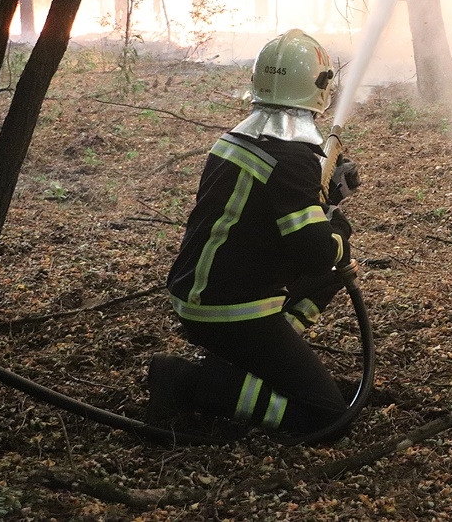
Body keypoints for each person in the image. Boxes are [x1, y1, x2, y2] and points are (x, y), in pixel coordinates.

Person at [147, 29, 360, 439]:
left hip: (202, 292)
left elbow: (260, 214)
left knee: (333, 274)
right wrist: (337, 223)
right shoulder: (292, 158)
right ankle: (190, 383)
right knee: (328, 418)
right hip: (231, 311)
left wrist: (320, 197)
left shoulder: (235, 139)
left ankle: (267, 358)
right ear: (319, 87)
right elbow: (316, 254)